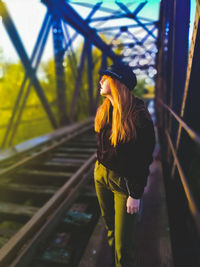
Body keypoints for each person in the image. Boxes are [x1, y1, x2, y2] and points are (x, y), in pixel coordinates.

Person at [93, 64, 156, 267]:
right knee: (110, 228)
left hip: (124, 184)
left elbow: (145, 157)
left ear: (117, 83)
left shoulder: (138, 116)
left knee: (123, 246)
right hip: (101, 175)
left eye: (106, 78)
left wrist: (136, 194)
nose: (101, 81)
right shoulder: (104, 110)